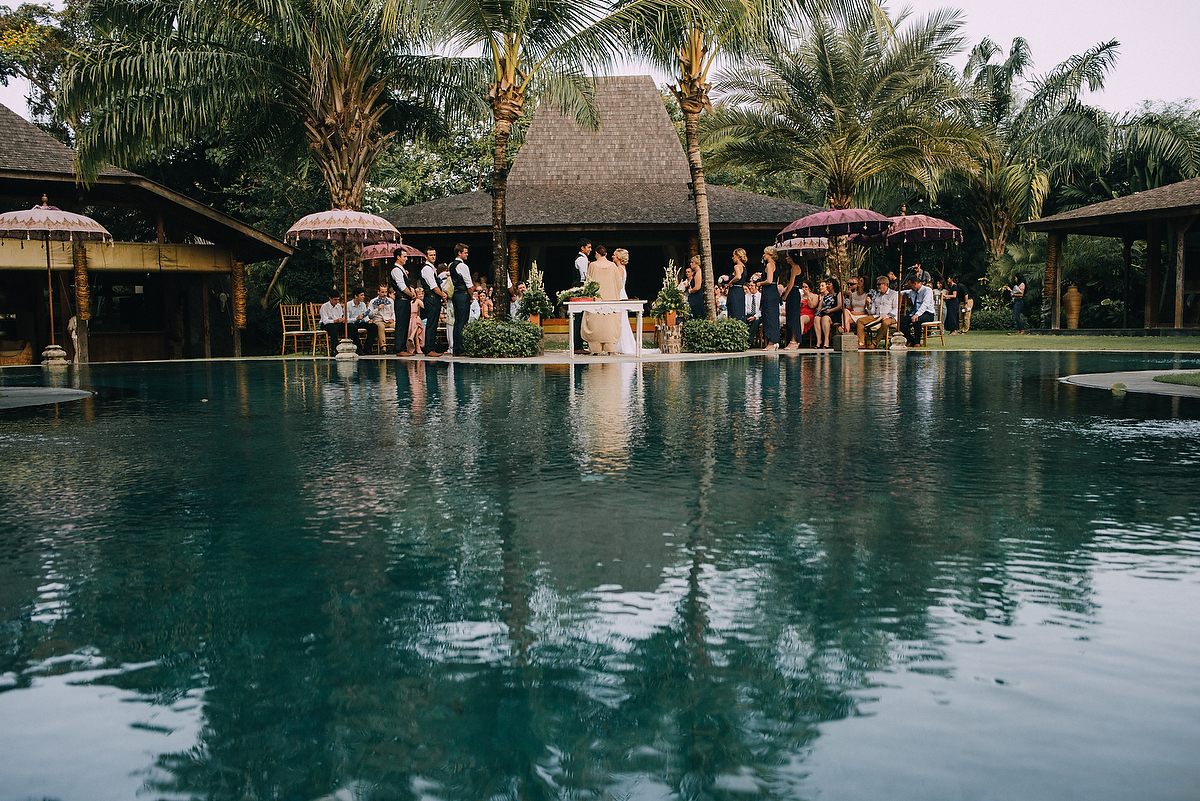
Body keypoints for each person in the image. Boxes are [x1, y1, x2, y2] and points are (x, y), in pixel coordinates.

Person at [581, 244, 622, 354]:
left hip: (597, 300)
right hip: (611, 299)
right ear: (606, 254)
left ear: (597, 253)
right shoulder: (613, 266)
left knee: (595, 323)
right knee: (610, 323)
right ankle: (610, 349)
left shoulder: (593, 266)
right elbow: (619, 283)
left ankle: (595, 349)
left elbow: (588, 283)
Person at [857, 275, 898, 348]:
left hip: (891, 317)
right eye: (877, 284)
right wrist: (869, 305)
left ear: (885, 284)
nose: (877, 286)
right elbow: (872, 312)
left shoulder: (894, 294)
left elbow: (896, 308)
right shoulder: (877, 295)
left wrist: (888, 315)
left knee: (885, 322)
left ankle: (875, 342)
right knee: (860, 321)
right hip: (877, 316)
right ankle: (861, 343)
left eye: (879, 284)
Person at [611, 248, 638, 355]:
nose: (612, 256)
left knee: (620, 321)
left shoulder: (619, 269)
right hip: (620, 294)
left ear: (618, 257)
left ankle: (622, 346)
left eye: (614, 255)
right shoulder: (620, 268)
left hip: (619, 295)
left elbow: (617, 284)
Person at [448, 243, 472, 355]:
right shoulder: (462, 266)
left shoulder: (452, 265)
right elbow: (469, 283)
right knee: (462, 321)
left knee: (457, 321)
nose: (467, 254)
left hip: (456, 294)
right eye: (465, 252)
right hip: (462, 294)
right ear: (459, 253)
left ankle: (456, 347)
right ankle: (460, 348)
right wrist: (472, 296)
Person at [419, 257, 445, 357]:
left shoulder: (432, 268)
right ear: (426, 256)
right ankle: (429, 348)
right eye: (431, 255)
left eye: (434, 254)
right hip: (431, 298)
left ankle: (431, 347)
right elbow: (433, 286)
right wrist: (442, 294)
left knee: (433, 323)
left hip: (434, 298)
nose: (433, 257)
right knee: (431, 323)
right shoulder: (427, 269)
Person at [390, 249, 414, 356]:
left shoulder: (402, 270)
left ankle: (403, 348)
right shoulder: (396, 270)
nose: (406, 258)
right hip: (401, 300)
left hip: (405, 301)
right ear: (398, 257)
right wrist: (411, 294)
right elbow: (402, 286)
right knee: (401, 324)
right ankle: (399, 348)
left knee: (405, 324)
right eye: (404, 256)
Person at [900, 272, 936, 346]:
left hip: (928, 313)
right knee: (899, 321)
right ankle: (910, 339)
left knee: (917, 320)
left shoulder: (927, 290)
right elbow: (902, 292)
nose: (910, 288)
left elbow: (925, 304)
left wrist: (917, 314)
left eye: (911, 286)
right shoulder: (913, 291)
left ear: (915, 283)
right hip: (915, 313)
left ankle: (917, 342)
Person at [759, 247, 781, 350]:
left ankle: (772, 341)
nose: (763, 255)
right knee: (773, 315)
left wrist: (759, 283)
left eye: (765, 253)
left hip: (769, 291)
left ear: (769, 254)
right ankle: (774, 340)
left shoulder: (770, 265)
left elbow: (769, 280)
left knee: (769, 315)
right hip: (774, 291)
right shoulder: (776, 265)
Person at [573, 238, 592, 353]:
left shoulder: (583, 259)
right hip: (580, 290)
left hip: (579, 288)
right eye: (588, 247)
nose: (590, 249)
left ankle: (578, 345)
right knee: (579, 318)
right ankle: (577, 346)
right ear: (582, 248)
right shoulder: (581, 259)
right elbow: (583, 276)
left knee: (580, 317)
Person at [812, 278, 842, 349]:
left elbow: (840, 306)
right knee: (816, 318)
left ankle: (826, 341)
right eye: (827, 284)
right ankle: (819, 341)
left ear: (834, 285)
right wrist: (819, 311)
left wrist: (830, 310)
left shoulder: (838, 294)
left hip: (834, 313)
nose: (827, 286)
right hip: (824, 312)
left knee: (825, 318)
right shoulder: (824, 296)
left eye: (829, 284)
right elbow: (820, 306)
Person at [366, 283, 395, 354]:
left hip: (389, 320)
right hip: (378, 320)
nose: (385, 294)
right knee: (380, 326)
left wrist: (392, 318)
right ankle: (383, 347)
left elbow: (393, 312)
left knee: (399, 326)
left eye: (386, 292)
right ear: (378, 292)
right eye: (382, 292)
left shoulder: (390, 301)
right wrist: (377, 309)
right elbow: (369, 315)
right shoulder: (373, 301)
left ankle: (398, 346)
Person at [727, 249, 748, 321]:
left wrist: (730, 282)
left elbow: (738, 276)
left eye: (734, 256)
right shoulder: (744, 267)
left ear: (738, 256)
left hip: (734, 291)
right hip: (740, 291)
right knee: (740, 311)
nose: (732, 258)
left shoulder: (737, 266)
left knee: (734, 310)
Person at [686, 254, 705, 319]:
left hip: (697, 298)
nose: (690, 264)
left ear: (697, 263)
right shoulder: (697, 273)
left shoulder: (698, 273)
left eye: (692, 262)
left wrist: (690, 291)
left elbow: (697, 287)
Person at [745, 276, 763, 344]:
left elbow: (761, 309)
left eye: (752, 286)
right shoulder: (746, 296)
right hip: (748, 314)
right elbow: (745, 307)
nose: (750, 287)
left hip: (758, 315)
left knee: (755, 321)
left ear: (757, 287)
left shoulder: (761, 296)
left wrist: (755, 316)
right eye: (749, 286)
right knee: (743, 320)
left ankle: (749, 341)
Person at [407, 287, 425, 353]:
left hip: (416, 319)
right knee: (417, 322)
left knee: (417, 319)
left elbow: (424, 306)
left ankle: (412, 337)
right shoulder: (407, 302)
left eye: (413, 292)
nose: (413, 293)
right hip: (409, 320)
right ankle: (418, 347)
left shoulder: (417, 301)